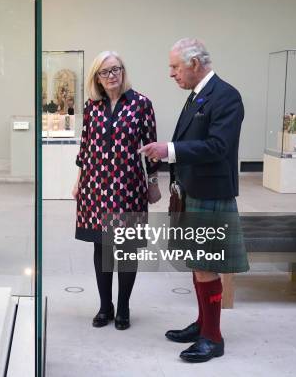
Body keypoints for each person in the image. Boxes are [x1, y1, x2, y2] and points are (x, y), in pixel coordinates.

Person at [139, 38, 249, 362]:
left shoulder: (226, 97)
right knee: (197, 263)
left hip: (211, 192)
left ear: (195, 64)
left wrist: (168, 150)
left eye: (175, 67)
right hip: (192, 190)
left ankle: (213, 339)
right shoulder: (197, 96)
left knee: (206, 266)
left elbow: (218, 147)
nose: (171, 73)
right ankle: (203, 323)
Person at [73, 51, 161, 330]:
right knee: (101, 246)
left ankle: (123, 307)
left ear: (123, 71)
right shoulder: (92, 107)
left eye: (115, 70)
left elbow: (151, 148)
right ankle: (105, 306)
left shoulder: (141, 104)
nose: (111, 76)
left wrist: (153, 183)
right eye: (104, 72)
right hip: (95, 186)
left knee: (125, 248)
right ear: (96, 78)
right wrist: (78, 181)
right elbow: (85, 148)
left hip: (128, 185)